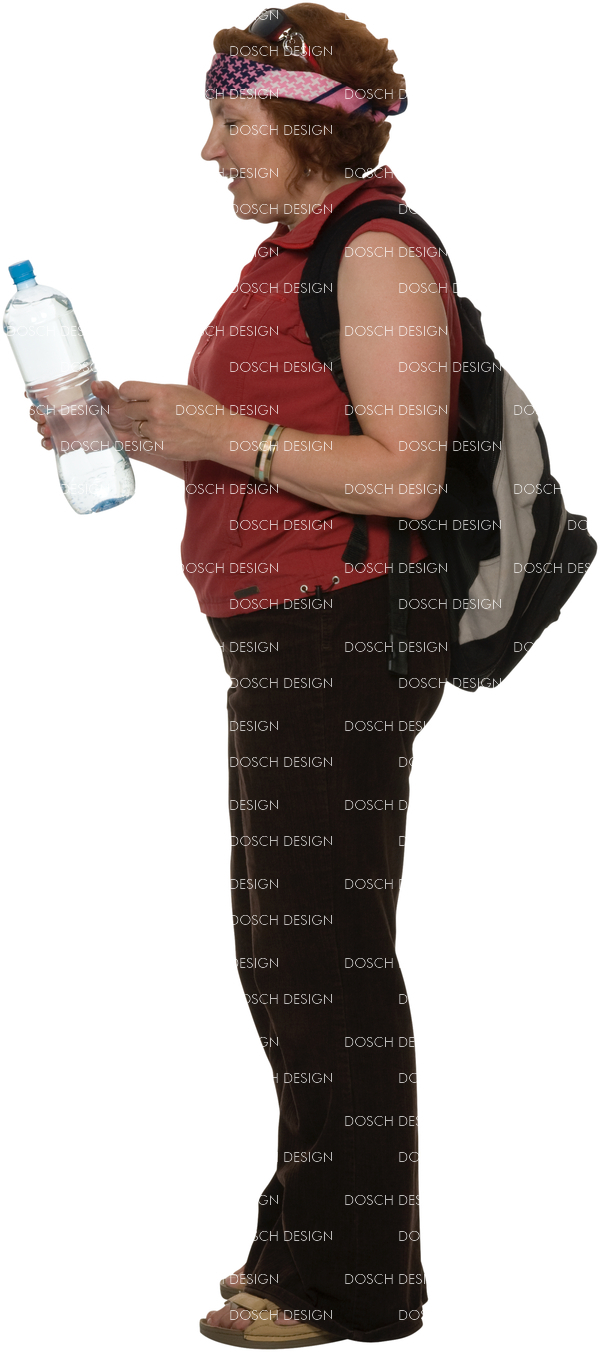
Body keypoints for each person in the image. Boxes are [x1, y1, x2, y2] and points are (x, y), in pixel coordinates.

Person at [30, 5, 462, 1343]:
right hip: (287, 637)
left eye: (231, 120)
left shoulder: (376, 253)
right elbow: (274, 445)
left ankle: (349, 1279)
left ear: (308, 125)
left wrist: (222, 429)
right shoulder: (294, 257)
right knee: (290, 956)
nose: (210, 148)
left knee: (323, 957)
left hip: (343, 636)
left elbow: (407, 474)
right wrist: (138, 429)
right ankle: (318, 1247)